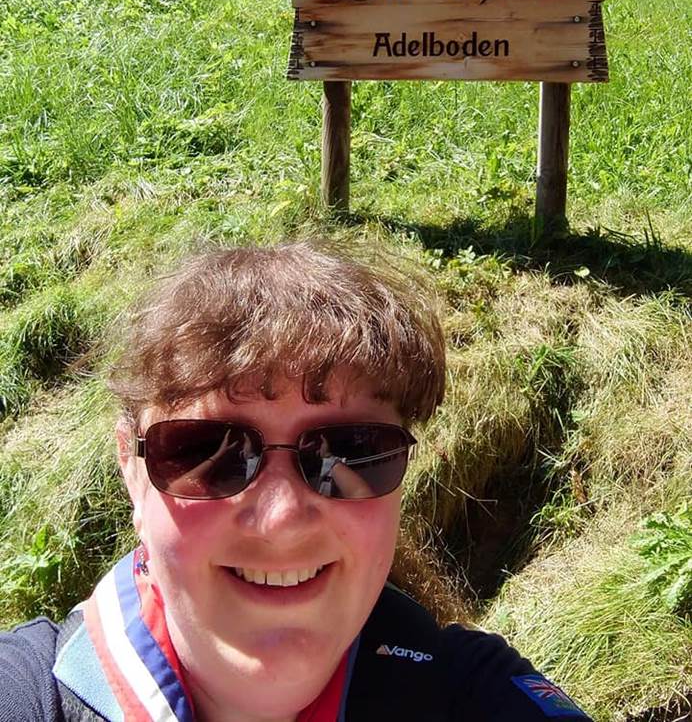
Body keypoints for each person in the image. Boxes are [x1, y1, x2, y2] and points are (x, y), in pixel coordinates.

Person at [0, 241, 593, 721]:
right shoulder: (24, 694)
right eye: (209, 451)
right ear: (131, 469)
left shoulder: (468, 694)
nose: (281, 519)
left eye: (352, 452)